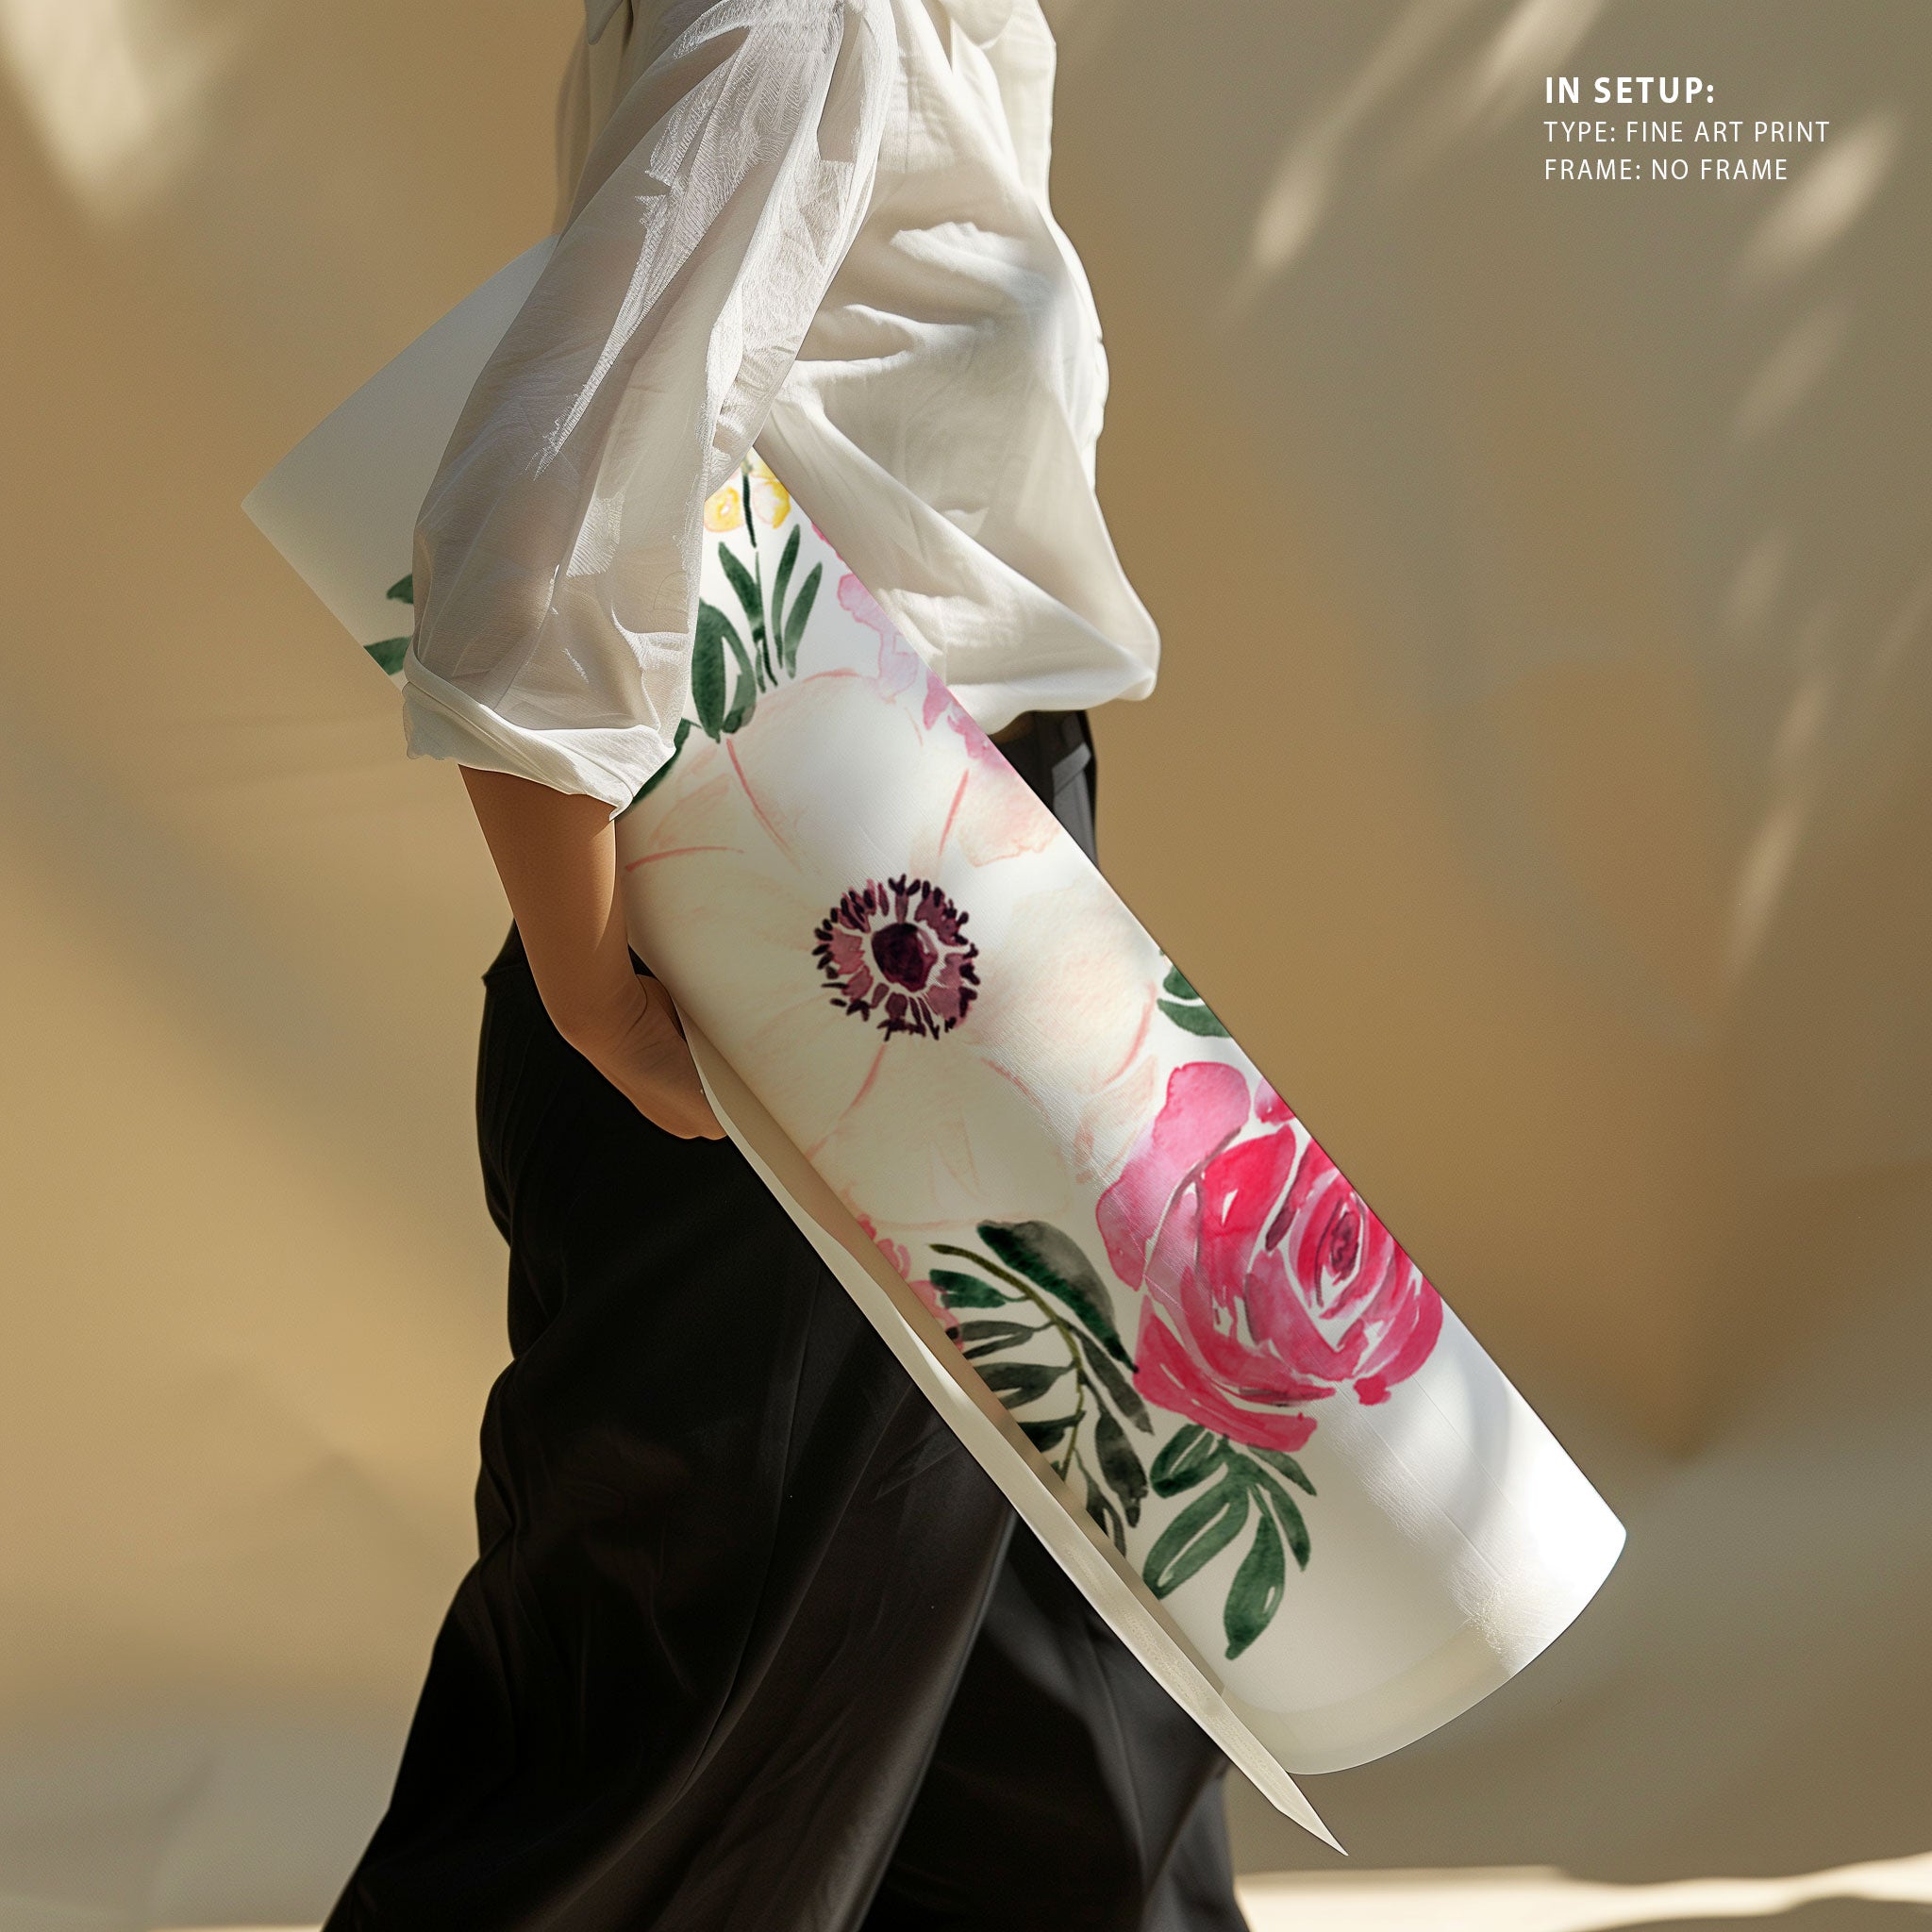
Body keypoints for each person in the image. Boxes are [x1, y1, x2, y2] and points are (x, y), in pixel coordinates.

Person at [323, 3, 1247, 1926]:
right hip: (811, 917)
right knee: (658, 1753)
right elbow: (540, 515)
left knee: (1074, 1728)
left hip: (970, 877)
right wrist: (593, 988)